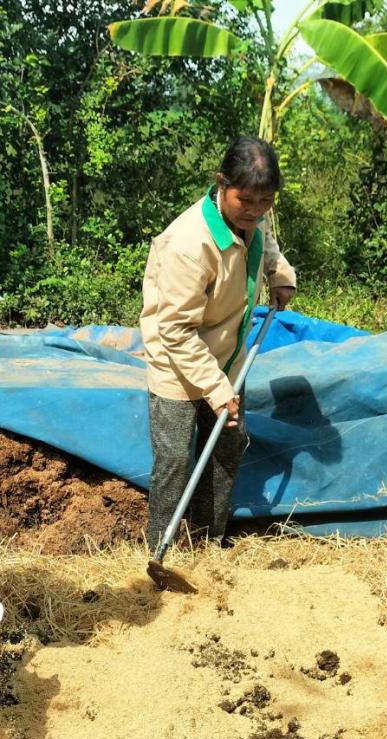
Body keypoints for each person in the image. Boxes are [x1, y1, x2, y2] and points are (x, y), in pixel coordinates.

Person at [140, 136, 296, 548]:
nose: (255, 211)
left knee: (226, 448)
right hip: (177, 363)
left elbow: (264, 242)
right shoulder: (188, 245)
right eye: (246, 200)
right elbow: (175, 330)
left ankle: (208, 540)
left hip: (228, 356)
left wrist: (280, 273)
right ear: (221, 184)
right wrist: (215, 389)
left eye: (265, 202)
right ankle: (160, 547)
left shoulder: (252, 219)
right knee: (175, 460)